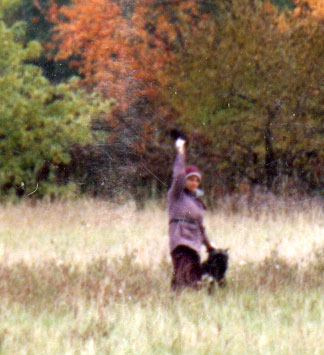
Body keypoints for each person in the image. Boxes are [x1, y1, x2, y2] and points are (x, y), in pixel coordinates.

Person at [168, 137, 215, 291]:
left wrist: (208, 245)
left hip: (194, 243)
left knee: (194, 279)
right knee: (183, 274)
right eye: (191, 180)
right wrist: (181, 153)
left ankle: (187, 305)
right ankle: (176, 300)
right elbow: (178, 175)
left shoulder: (197, 201)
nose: (194, 183)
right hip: (181, 240)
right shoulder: (177, 194)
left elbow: (201, 227)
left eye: (197, 180)